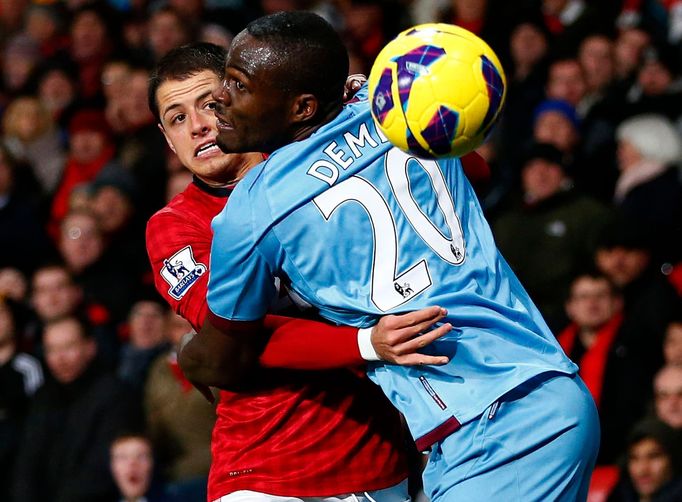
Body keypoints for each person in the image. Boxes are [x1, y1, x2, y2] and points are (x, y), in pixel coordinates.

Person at [184, 11, 600, 501]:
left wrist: (189, 356)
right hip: (531, 399)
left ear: (301, 107)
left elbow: (221, 357)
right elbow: (476, 173)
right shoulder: (395, 112)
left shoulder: (254, 209)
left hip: (495, 424)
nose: (219, 99)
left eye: (237, 84)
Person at [146, 42, 451, 501]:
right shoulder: (178, 226)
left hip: (381, 460)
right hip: (266, 470)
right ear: (168, 140)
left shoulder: (325, 160)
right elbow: (232, 336)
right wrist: (367, 343)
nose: (198, 127)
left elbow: (459, 185)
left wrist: (380, 114)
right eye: (177, 118)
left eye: (209, 104)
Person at [11, 315, 141, 502]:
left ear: (90, 348)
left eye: (68, 347)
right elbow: (26, 463)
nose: (60, 358)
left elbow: (103, 468)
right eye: (51, 349)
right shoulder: (43, 396)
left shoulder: (114, 394)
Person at [557, 271, 649, 463]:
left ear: (617, 303)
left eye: (600, 296)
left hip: (621, 452)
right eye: (584, 297)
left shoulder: (637, 346)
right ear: (570, 307)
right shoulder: (554, 351)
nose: (592, 303)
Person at [607, 419, 682, 502]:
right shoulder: (621, 493)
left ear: (673, 459)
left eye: (654, 456)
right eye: (634, 458)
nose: (642, 470)